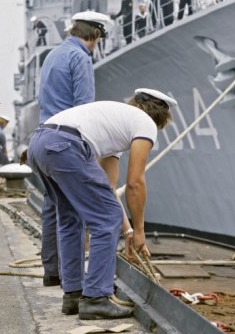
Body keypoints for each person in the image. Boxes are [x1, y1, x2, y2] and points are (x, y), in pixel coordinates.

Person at [27, 88, 177, 320]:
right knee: (105, 220)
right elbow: (135, 183)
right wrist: (139, 231)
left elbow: (109, 188)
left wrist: (127, 231)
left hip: (39, 143)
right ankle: (96, 297)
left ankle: (74, 294)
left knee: (70, 218)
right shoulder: (145, 123)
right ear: (160, 117)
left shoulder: (119, 124)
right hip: (65, 146)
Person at [37, 10, 113, 288]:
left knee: (52, 207)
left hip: (43, 138)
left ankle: (52, 271)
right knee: (83, 214)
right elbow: (84, 108)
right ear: (95, 35)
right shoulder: (80, 57)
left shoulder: (52, 55)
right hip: (66, 143)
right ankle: (80, 285)